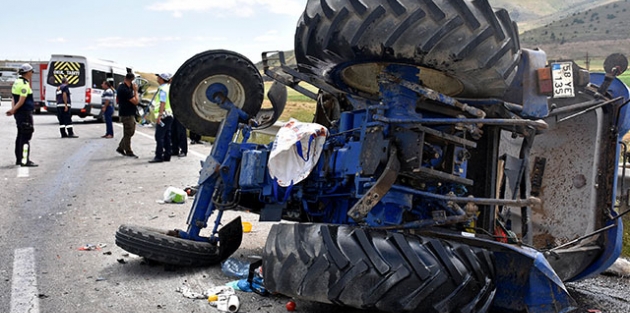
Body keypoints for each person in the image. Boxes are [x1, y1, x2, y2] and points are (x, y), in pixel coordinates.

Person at [6, 64, 38, 167]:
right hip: (25, 113)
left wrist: (14, 110)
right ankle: (25, 160)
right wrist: (13, 110)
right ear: (27, 72)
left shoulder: (16, 82)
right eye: (31, 71)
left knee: (20, 135)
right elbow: (21, 100)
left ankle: (19, 159)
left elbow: (13, 98)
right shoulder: (24, 84)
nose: (32, 73)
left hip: (19, 113)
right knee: (26, 137)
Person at [149, 73, 173, 163]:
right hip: (169, 114)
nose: (157, 78)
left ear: (162, 79)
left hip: (164, 115)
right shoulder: (169, 87)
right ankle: (167, 154)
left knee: (159, 136)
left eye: (159, 77)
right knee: (167, 135)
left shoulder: (162, 89)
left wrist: (159, 115)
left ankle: (158, 156)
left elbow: (162, 102)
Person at [116, 73, 140, 158]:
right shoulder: (124, 89)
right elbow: (136, 101)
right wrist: (135, 91)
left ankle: (121, 147)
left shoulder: (125, 87)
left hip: (129, 112)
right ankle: (128, 150)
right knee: (128, 132)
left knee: (130, 132)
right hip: (127, 114)